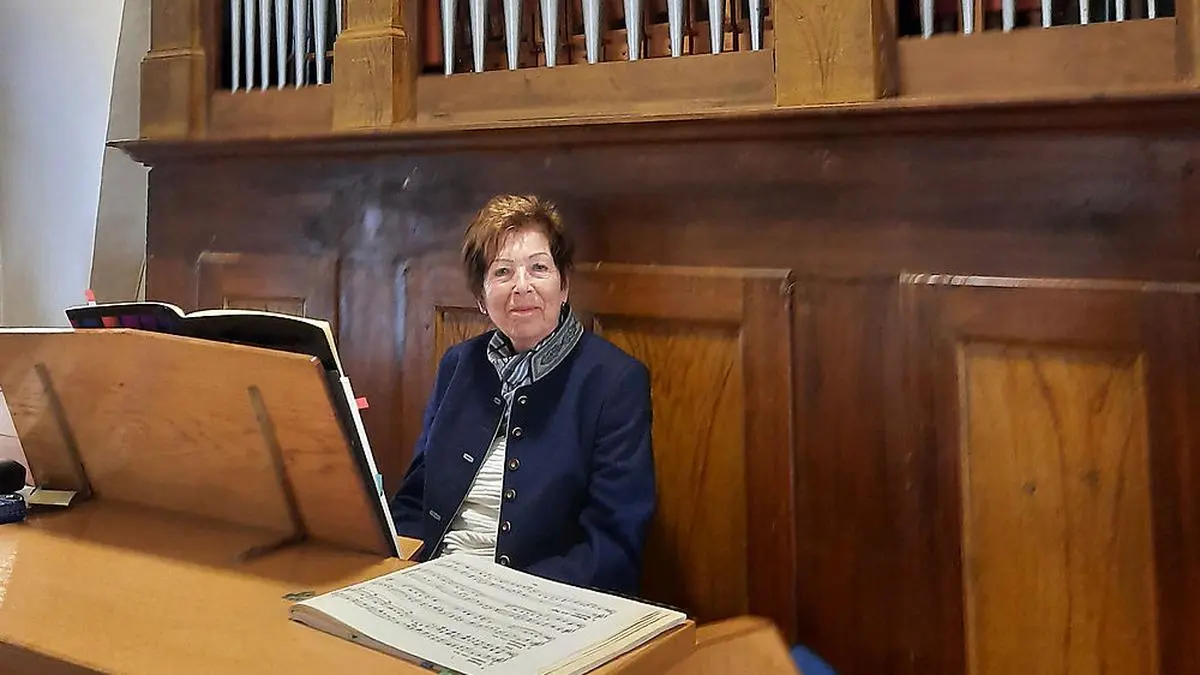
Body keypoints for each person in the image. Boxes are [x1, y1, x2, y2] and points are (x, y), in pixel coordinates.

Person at [389, 194, 657, 595]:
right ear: (481, 297)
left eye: (538, 268)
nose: (522, 286)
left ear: (563, 284)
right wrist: (395, 576)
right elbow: (413, 500)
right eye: (502, 272)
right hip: (434, 584)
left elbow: (612, 546)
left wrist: (505, 596)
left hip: (542, 603)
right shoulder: (459, 364)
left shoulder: (615, 381)